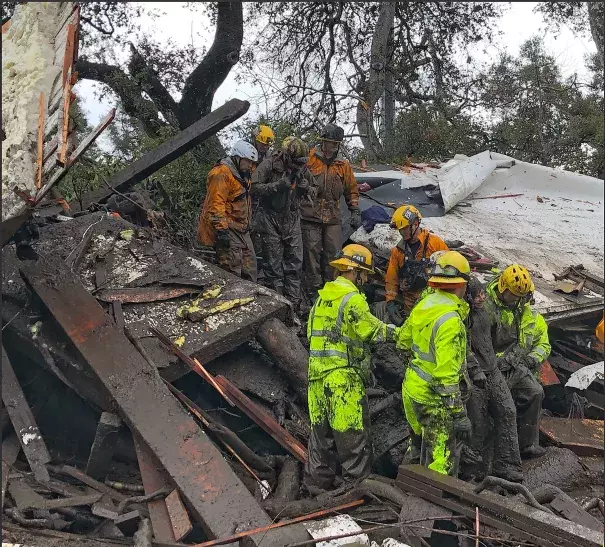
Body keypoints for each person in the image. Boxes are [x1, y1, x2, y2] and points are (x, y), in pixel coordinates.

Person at [304, 244, 398, 491]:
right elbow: (373, 330)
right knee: (352, 441)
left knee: (320, 441)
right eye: (364, 274)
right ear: (354, 271)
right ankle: (355, 497)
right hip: (343, 381)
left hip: (316, 380)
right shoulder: (353, 299)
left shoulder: (321, 299)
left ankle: (316, 490)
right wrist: (404, 335)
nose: (366, 279)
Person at [396, 251, 472, 476]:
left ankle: (406, 489)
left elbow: (402, 341)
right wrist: (458, 414)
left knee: (418, 446)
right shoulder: (450, 320)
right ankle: (430, 508)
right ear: (461, 285)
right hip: (433, 399)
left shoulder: (425, 304)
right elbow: (446, 377)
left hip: (412, 390)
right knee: (441, 462)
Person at [483, 264, 551, 458]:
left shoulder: (523, 309)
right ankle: (494, 450)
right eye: (514, 295)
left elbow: (538, 342)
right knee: (501, 406)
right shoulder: (487, 307)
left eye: (521, 297)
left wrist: (527, 360)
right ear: (503, 288)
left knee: (535, 392)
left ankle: (527, 445)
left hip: (515, 364)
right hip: (492, 366)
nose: (517, 300)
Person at [463, 277, 524, 482]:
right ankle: (471, 471)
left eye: (483, 293)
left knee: (507, 410)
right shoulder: (463, 316)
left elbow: (491, 341)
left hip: (492, 369)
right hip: (475, 374)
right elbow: (463, 346)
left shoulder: (484, 313)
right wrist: (474, 369)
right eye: (477, 294)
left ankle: (506, 464)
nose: (482, 297)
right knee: (478, 422)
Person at [251, 137, 316, 312]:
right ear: (287, 156)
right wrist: (278, 185)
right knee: (273, 267)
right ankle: (277, 308)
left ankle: (293, 307)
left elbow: (315, 190)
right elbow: (254, 187)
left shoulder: (303, 168)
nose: (297, 167)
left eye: (300, 164)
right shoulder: (269, 164)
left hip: (292, 218)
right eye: (295, 163)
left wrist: (306, 189)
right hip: (269, 218)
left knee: (295, 264)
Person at [301, 124, 361, 302]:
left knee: (334, 255)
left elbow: (352, 190)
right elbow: (296, 183)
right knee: (311, 256)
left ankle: (331, 292)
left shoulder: (343, 165)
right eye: (332, 142)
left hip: (333, 218)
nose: (335, 146)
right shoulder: (309, 160)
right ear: (323, 142)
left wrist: (355, 210)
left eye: (337, 143)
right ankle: (313, 294)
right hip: (310, 217)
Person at [197, 140, 258, 281]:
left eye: (252, 163)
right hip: (228, 227)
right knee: (233, 270)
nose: (250, 166)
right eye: (248, 161)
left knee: (250, 268)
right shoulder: (221, 173)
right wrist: (222, 232)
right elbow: (215, 206)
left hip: (242, 228)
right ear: (238, 158)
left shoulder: (244, 174)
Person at [385, 205, 449, 326]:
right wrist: (390, 302)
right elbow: (391, 279)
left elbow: (450, 268)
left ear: (415, 224)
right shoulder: (398, 251)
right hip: (410, 307)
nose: (402, 232)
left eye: (404, 229)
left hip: (433, 305)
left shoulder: (434, 243)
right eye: (400, 230)